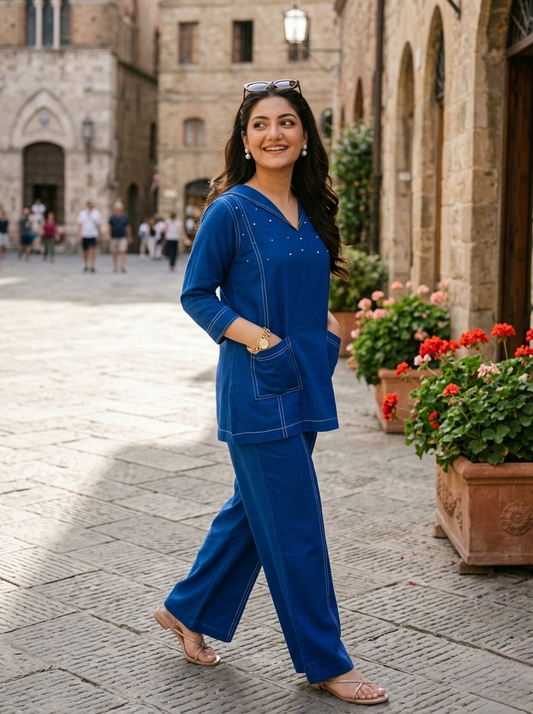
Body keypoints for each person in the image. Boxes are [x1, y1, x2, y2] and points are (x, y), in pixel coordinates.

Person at [153, 79, 388, 706]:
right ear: (245, 139)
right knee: (296, 526)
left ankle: (187, 608)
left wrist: (331, 323)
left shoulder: (309, 209)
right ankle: (326, 661)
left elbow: (303, 279)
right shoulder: (231, 210)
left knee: (254, 516)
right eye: (260, 124)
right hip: (258, 387)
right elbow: (197, 295)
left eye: (287, 122)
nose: (274, 133)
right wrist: (258, 338)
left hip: (305, 380)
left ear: (305, 137)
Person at [77, 200, 102, 272]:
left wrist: (99, 235)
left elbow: (98, 224)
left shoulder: (97, 213)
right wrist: (79, 234)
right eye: (90, 204)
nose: (91, 206)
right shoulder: (82, 213)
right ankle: (85, 264)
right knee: (85, 250)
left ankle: (92, 265)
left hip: (93, 234)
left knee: (92, 249)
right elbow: (80, 224)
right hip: (84, 234)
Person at [107, 201, 132, 272]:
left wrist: (129, 236)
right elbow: (109, 226)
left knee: (123, 251)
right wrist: (108, 235)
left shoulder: (125, 217)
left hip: (123, 236)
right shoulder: (112, 217)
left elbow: (128, 227)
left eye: (119, 208)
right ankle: (115, 266)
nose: (118, 210)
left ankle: (122, 266)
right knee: (114, 252)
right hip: (114, 236)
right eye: (117, 208)